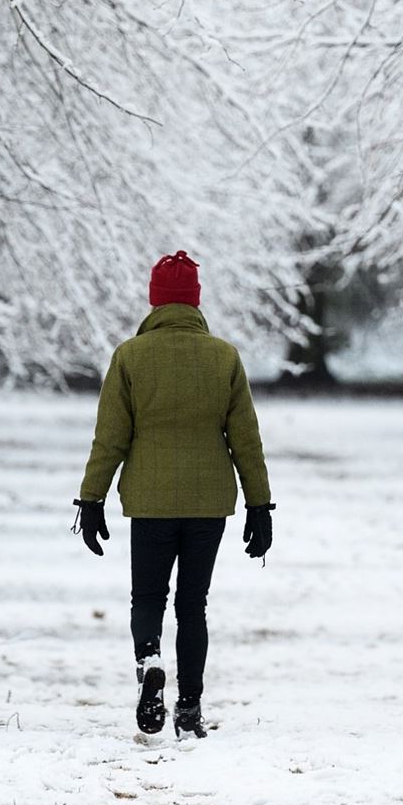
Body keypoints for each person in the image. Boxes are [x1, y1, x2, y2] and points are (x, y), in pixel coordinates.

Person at [73, 251, 274, 739]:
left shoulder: (130, 356)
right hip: (209, 502)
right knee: (192, 605)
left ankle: (150, 662)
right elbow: (246, 439)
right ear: (195, 302)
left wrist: (92, 499)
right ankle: (189, 709)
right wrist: (259, 505)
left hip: (150, 501)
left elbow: (110, 438)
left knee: (148, 596)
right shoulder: (224, 356)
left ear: (155, 301)